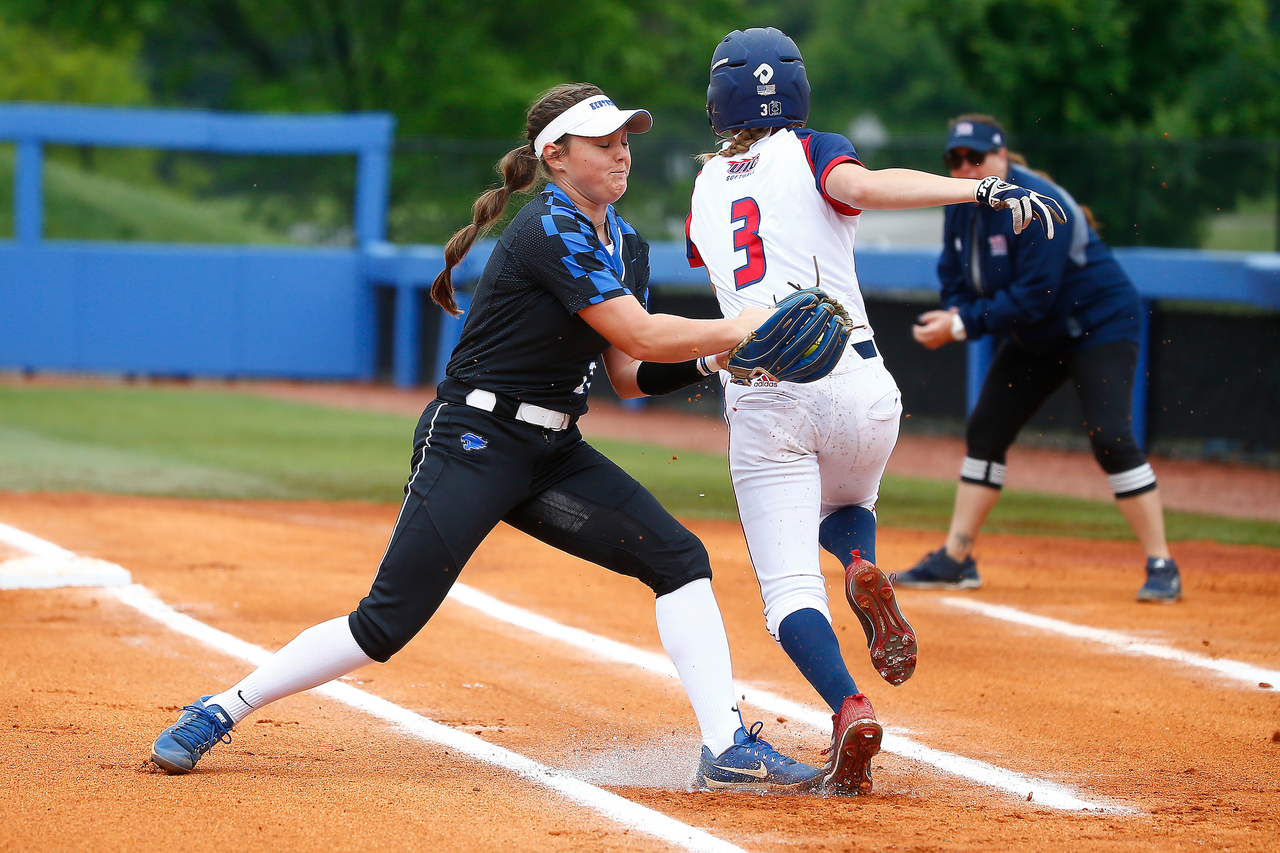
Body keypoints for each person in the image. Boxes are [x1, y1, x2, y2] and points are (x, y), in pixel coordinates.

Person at [148, 82, 824, 793]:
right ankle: (221, 707)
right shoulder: (548, 227)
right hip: (473, 439)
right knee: (384, 625)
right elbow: (642, 334)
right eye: (603, 141)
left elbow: (628, 372)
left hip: (552, 453)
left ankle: (727, 747)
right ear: (555, 157)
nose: (622, 150)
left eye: (625, 137)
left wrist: (719, 357)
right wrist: (748, 327)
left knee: (679, 558)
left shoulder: (626, 242)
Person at [684, 29, 1064, 795]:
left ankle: (848, 706)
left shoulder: (703, 189)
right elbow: (861, 186)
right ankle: (859, 560)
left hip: (764, 397)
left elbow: (725, 276)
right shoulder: (816, 149)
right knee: (850, 499)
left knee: (790, 592)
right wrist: (978, 188)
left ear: (719, 102)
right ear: (797, 91)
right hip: (860, 382)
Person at [897, 114, 1182, 604]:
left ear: (1002, 157)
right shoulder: (960, 204)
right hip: (1037, 336)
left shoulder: (1040, 203)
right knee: (986, 428)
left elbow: (1038, 294)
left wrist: (961, 325)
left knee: (1111, 438)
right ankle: (957, 557)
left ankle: (1162, 564)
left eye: (976, 157)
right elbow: (953, 273)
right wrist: (954, 311)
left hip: (1097, 325)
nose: (965, 167)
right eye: (954, 159)